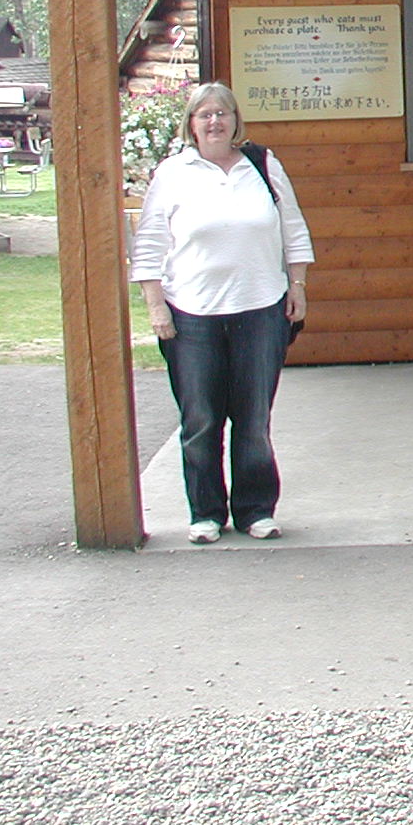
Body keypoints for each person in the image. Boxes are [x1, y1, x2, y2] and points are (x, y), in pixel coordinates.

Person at [130, 82, 313, 544]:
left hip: (260, 310)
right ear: (191, 124)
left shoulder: (263, 165)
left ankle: (255, 510)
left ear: (236, 121)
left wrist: (298, 286)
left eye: (222, 114)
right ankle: (206, 513)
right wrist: (156, 307)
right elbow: (149, 244)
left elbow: (293, 228)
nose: (214, 122)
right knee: (201, 420)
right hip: (192, 316)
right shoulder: (173, 173)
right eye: (204, 115)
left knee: (253, 419)